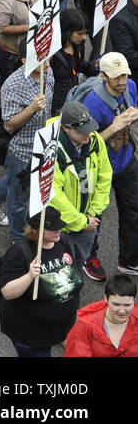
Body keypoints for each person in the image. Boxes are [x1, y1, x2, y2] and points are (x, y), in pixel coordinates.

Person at [78, 52, 138, 278]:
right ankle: (88, 256)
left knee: (133, 211)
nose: (122, 81)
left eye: (124, 75)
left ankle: (129, 259)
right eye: (116, 77)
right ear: (103, 76)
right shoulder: (93, 102)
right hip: (96, 168)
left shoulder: (130, 86)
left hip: (125, 160)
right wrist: (113, 128)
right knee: (94, 215)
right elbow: (84, 142)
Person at [0, 206, 85, 357]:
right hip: (31, 335)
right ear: (36, 230)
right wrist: (29, 276)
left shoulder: (61, 241)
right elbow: (7, 292)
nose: (59, 230)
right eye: (53, 228)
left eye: (60, 226)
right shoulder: (19, 252)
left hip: (58, 328)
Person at [51, 102, 115, 283]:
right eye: (82, 130)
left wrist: (93, 212)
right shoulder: (53, 150)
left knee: (76, 269)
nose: (88, 133)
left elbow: (105, 176)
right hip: (60, 227)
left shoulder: (94, 140)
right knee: (57, 274)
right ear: (66, 128)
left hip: (88, 220)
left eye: (89, 128)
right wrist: (81, 221)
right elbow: (54, 195)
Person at [64, 274, 138, 357]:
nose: (122, 311)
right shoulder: (84, 327)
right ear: (106, 298)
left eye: (127, 305)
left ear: (134, 301)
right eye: (116, 304)